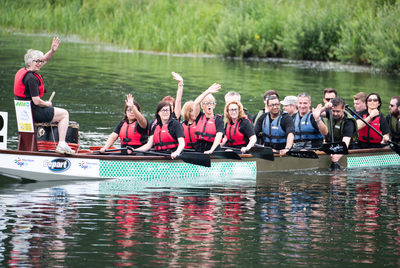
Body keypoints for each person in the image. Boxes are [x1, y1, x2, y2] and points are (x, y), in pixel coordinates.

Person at [14, 37, 74, 154]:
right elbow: (36, 101)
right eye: (38, 62)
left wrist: (52, 51)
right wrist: (47, 103)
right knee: (64, 114)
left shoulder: (24, 71)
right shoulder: (32, 79)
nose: (40, 64)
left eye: (40, 62)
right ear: (30, 62)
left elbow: (43, 59)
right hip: (35, 112)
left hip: (25, 114)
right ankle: (62, 144)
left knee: (58, 112)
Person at [318, 97, 358, 165]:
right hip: (330, 146)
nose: (335, 114)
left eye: (338, 111)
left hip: (345, 148)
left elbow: (345, 143)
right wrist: (325, 107)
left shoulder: (348, 122)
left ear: (343, 109)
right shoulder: (330, 112)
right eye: (333, 111)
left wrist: (338, 155)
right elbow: (316, 114)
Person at [193, 83, 223, 154]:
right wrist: (208, 91)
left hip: (213, 150)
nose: (209, 105)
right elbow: (195, 103)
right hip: (199, 149)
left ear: (214, 106)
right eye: (206, 103)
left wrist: (211, 150)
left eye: (211, 103)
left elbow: (218, 137)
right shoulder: (199, 116)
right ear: (202, 106)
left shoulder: (218, 120)